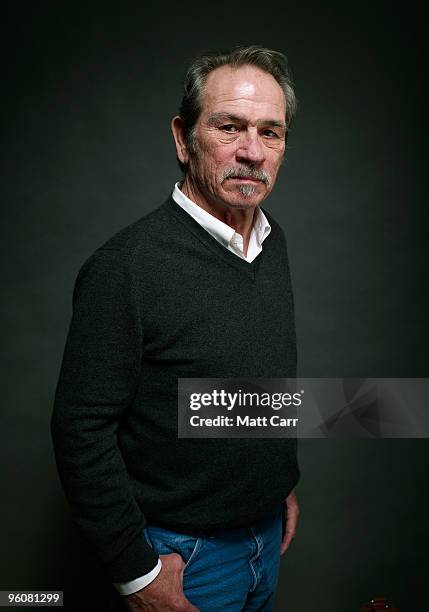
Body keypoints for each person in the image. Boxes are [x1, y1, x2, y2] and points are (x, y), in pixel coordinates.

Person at [51, 45, 300, 612]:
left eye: (271, 132)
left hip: (265, 538)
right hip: (183, 558)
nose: (252, 152)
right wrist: (137, 575)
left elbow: (253, 373)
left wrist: (278, 477)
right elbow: (79, 429)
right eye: (229, 127)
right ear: (183, 138)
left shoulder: (269, 240)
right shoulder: (127, 267)